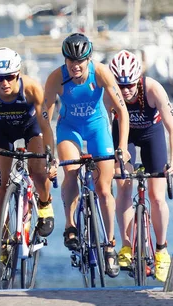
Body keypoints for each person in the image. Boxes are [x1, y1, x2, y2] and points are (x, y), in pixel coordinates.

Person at [43, 33, 131, 278]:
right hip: (69, 128)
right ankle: (70, 225)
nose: (76, 66)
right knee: (70, 172)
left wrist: (121, 147)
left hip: (97, 127)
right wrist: (49, 153)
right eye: (71, 61)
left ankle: (110, 245)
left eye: (80, 60)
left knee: (104, 188)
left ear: (88, 59)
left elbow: (122, 114)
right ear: (65, 60)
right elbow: (44, 118)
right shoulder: (56, 78)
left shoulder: (101, 73)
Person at [0, 48, 57, 284]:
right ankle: (2, 244)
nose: (4, 83)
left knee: (39, 169)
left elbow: (45, 127)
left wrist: (50, 155)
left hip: (30, 127)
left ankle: (44, 205)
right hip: (1, 132)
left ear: (18, 74)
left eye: (10, 77)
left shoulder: (31, 88)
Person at [108, 50, 173, 282]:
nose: (126, 90)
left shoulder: (152, 89)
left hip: (152, 135)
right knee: (124, 184)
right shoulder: (110, 93)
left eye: (130, 84)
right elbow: (100, 123)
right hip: (124, 135)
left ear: (138, 79)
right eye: (120, 85)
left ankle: (161, 250)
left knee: (157, 196)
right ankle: (127, 245)